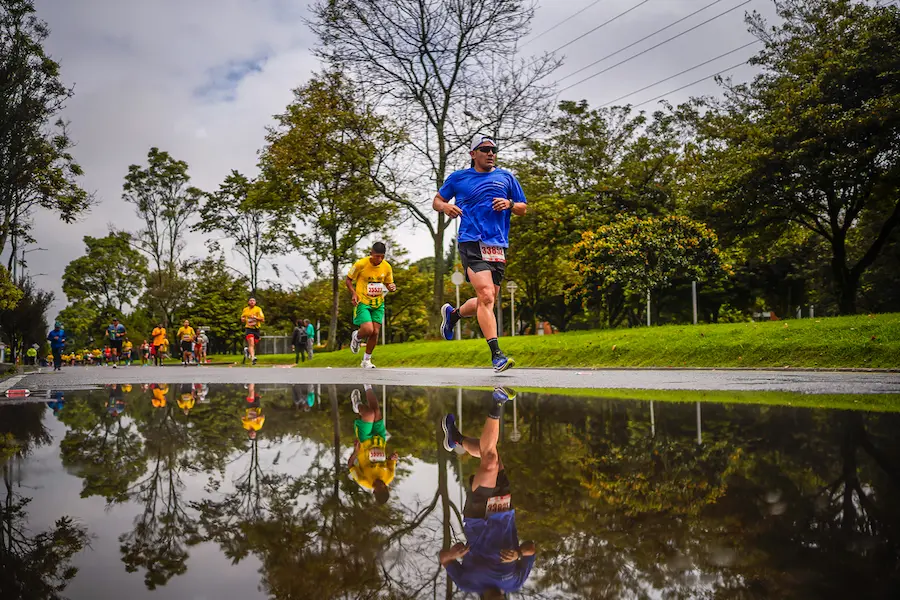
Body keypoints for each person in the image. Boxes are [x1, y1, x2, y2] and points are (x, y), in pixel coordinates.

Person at [432, 135, 527, 372]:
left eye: (493, 149)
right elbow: (437, 201)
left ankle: (453, 315)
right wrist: (446, 207)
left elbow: (523, 207)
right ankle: (497, 355)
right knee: (485, 295)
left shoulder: (506, 177)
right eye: (485, 149)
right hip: (471, 241)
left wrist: (510, 205)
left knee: (488, 299)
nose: (490, 153)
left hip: (498, 245)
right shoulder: (459, 178)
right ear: (473, 153)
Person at [439, 387, 536, 595]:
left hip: (478, 518)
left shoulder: (467, 583)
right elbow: (531, 549)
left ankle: (497, 400)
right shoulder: (514, 582)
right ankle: (455, 439)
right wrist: (518, 553)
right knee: (490, 455)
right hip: (503, 508)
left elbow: (444, 559)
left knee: (490, 460)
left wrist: (453, 554)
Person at [346, 242, 397, 369]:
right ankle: (357, 336)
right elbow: (348, 280)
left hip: (378, 303)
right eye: (377, 256)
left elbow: (389, 283)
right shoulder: (361, 264)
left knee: (375, 332)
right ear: (371, 254)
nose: (379, 259)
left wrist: (391, 287)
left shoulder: (387, 267)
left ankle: (366, 360)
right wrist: (353, 294)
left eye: (382, 257)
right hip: (362, 301)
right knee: (368, 330)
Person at [348, 384, 398, 504]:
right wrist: (393, 457)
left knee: (369, 414)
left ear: (374, 492)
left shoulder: (364, 481)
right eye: (384, 486)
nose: (381, 483)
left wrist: (355, 451)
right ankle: (367, 384)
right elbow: (392, 460)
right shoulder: (389, 477)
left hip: (365, 441)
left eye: (379, 487)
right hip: (380, 439)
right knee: (376, 411)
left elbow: (350, 465)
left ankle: (357, 405)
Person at [240, 298, 265, 365]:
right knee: (251, 343)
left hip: (256, 328)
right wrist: (243, 319)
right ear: (248, 302)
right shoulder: (245, 309)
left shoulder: (258, 309)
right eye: (250, 301)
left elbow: (262, 319)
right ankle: (253, 358)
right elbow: (242, 318)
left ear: (255, 302)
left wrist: (255, 317)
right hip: (249, 328)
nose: (252, 302)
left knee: (254, 343)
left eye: (253, 301)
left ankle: (247, 350)